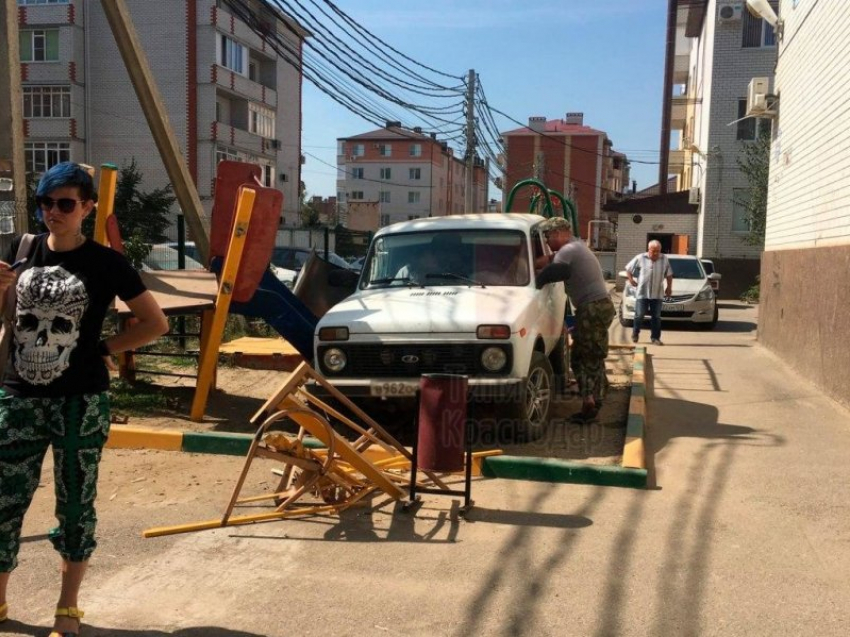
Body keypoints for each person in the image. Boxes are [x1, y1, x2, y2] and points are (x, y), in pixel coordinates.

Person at [0, 162, 168, 636]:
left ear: (87, 208)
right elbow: (11, 323)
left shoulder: (107, 264)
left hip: (80, 401)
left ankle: (66, 610)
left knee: (75, 506)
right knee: (3, 502)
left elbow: (155, 323)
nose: (54, 212)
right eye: (46, 203)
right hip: (19, 397)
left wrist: (102, 348)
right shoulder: (22, 250)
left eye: (66, 204)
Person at [535, 217, 615, 422]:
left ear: (561, 233)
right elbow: (549, 261)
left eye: (549, 235)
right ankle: (596, 395)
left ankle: (592, 402)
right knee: (588, 352)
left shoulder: (568, 251)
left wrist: (537, 280)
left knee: (585, 356)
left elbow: (557, 270)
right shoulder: (575, 247)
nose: (547, 240)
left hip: (592, 307)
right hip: (597, 306)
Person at [625, 240, 673, 345]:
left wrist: (669, 287)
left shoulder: (664, 259)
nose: (656, 253)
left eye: (658, 251)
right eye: (653, 251)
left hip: (657, 293)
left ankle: (655, 338)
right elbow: (628, 269)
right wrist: (631, 279)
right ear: (649, 249)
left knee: (656, 316)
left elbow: (669, 274)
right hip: (642, 293)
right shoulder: (640, 258)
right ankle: (635, 333)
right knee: (639, 314)